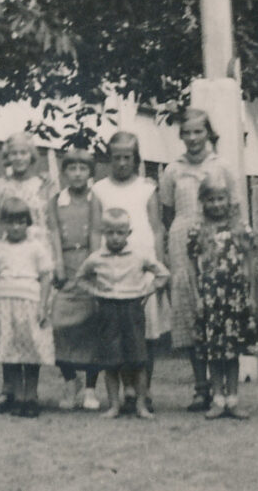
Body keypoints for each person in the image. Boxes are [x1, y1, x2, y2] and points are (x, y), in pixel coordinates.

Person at [157, 108, 242, 411]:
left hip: (217, 238)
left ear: (208, 133)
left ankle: (225, 389)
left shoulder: (223, 166)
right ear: (181, 135)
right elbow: (167, 212)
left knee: (218, 308)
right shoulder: (172, 170)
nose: (193, 138)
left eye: (198, 131)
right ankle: (201, 387)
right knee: (192, 309)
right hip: (183, 239)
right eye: (187, 132)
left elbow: (234, 209)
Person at [91, 131, 168, 408]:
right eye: (116, 158)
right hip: (112, 268)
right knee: (118, 330)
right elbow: (95, 231)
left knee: (145, 330)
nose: (122, 163)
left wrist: (158, 265)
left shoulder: (147, 188)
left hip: (142, 264)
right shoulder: (100, 189)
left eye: (127, 157)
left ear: (136, 159)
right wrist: (96, 266)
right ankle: (127, 390)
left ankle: (145, 389)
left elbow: (157, 229)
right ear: (109, 159)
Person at [73, 208, 170, 420]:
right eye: (110, 232)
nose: (115, 237)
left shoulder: (139, 256)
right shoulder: (96, 258)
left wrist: (147, 290)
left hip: (132, 309)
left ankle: (141, 405)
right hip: (108, 310)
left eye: (120, 232)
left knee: (138, 359)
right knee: (111, 361)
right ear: (103, 233)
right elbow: (80, 278)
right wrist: (96, 292)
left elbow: (162, 273)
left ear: (128, 233)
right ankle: (114, 406)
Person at [186, 175, 258, 420]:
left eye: (220, 199)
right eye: (211, 200)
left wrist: (250, 294)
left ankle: (233, 399)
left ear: (229, 200)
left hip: (234, 296)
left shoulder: (240, 228)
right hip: (210, 298)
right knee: (214, 351)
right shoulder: (197, 230)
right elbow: (191, 266)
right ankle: (217, 398)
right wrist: (197, 296)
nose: (216, 204)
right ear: (203, 202)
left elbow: (249, 261)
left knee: (232, 350)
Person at [0, 197, 54, 419]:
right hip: (5, 304)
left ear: (28, 223)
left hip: (30, 303)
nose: (16, 227)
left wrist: (43, 306)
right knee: (11, 350)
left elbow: (45, 277)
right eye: (11, 222)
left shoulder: (36, 247)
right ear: (3, 223)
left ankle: (31, 396)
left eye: (21, 222)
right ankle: (17, 395)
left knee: (32, 350)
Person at [47, 149, 102, 410]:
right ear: (64, 172)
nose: (78, 174)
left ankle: (90, 389)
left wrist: (93, 267)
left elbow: (96, 233)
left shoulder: (95, 199)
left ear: (90, 173)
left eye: (83, 168)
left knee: (92, 327)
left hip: (89, 265)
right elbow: (54, 233)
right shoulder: (56, 200)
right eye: (72, 168)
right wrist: (58, 264)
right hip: (65, 265)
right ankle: (70, 382)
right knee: (59, 326)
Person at [0, 132, 53, 250]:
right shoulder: (0, 185)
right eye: (14, 153)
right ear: (7, 156)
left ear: (31, 155)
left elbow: (55, 221)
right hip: (12, 249)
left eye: (23, 153)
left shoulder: (44, 184)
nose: (19, 158)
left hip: (41, 247)